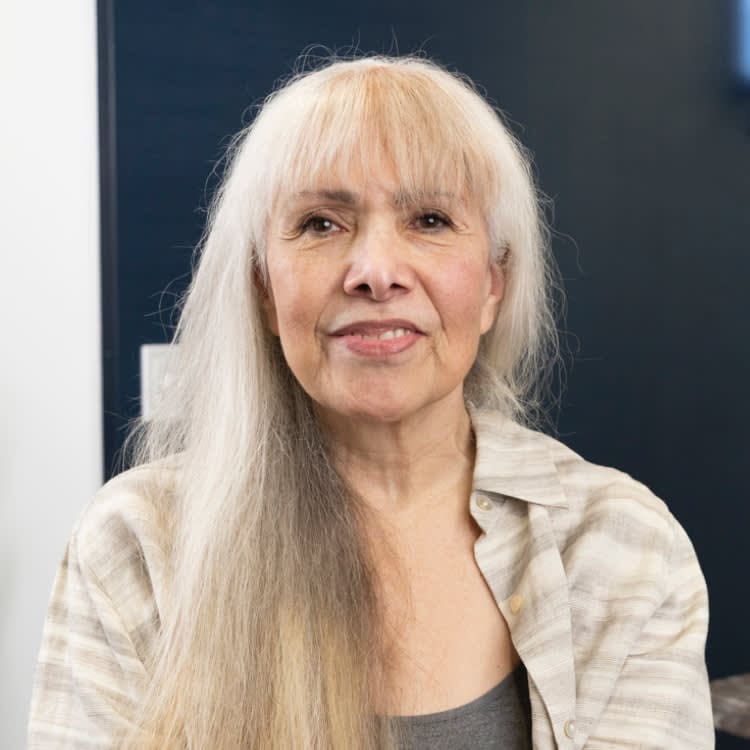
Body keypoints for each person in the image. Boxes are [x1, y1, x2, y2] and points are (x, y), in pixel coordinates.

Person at [27, 55, 714, 749]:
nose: (377, 273)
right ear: (265, 289)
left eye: (430, 219)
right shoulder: (138, 545)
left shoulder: (624, 548)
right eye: (322, 224)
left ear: (493, 288)